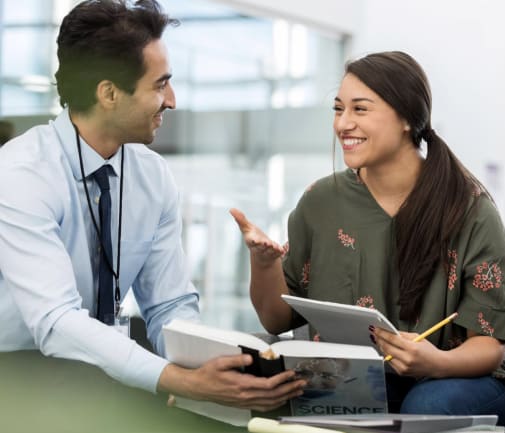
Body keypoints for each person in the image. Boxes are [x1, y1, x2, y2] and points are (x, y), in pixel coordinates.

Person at [0, 0, 304, 412]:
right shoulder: (20, 173)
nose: (173, 101)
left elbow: (169, 305)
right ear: (108, 93)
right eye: (160, 85)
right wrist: (180, 381)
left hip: (102, 370)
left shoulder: (151, 175)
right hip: (18, 371)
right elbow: (56, 323)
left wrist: (216, 373)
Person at [232, 51, 505, 430]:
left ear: (406, 118)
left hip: (458, 382)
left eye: (360, 109)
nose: (343, 124)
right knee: (276, 395)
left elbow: (488, 344)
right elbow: (275, 318)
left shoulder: (469, 208)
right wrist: (263, 263)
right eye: (338, 109)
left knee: (427, 404)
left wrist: (434, 361)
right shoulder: (320, 203)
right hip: (357, 383)